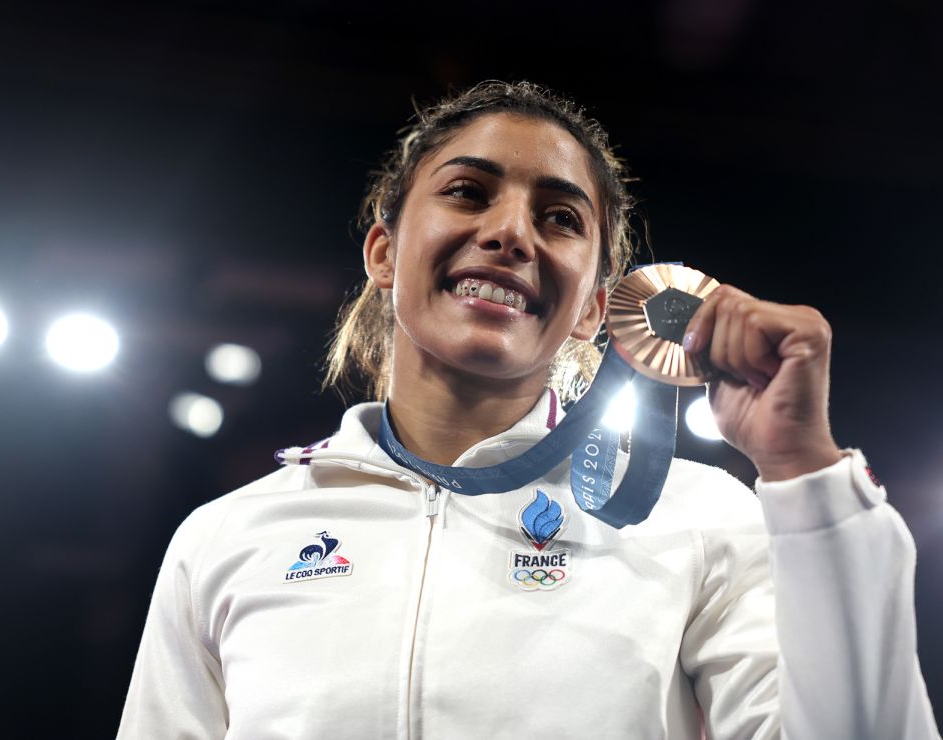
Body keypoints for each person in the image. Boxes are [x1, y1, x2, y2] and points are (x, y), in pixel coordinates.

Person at [117, 81, 939, 739]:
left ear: (591, 307)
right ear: (383, 254)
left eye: (560, 218)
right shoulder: (228, 538)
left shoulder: (700, 520)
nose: (511, 233)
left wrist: (805, 476)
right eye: (469, 193)